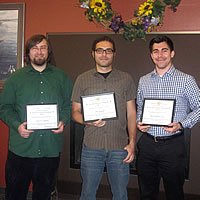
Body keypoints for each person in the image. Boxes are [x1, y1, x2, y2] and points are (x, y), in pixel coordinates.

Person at [0, 34, 72, 200]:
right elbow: (4, 107)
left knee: (43, 195)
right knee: (15, 194)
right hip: (21, 149)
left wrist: (63, 121)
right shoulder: (16, 78)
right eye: (34, 48)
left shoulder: (61, 77)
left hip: (50, 149)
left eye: (43, 47)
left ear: (48, 51)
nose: (39, 52)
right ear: (28, 52)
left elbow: (69, 104)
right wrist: (17, 125)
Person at [71, 35, 137, 200]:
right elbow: (75, 112)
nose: (104, 54)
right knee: (87, 194)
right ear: (93, 54)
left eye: (108, 50)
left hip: (119, 147)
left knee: (121, 194)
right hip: (92, 147)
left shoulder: (126, 79)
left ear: (114, 54)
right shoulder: (82, 79)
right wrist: (88, 120)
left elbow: (132, 113)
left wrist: (132, 143)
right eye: (100, 50)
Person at [136, 35, 200, 200]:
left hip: (173, 145)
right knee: (147, 192)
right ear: (151, 55)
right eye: (155, 51)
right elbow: (140, 107)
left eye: (164, 50)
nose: (160, 55)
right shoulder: (143, 81)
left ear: (172, 53)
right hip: (148, 144)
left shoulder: (186, 80)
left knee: (174, 193)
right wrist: (139, 122)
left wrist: (181, 124)